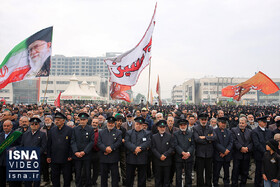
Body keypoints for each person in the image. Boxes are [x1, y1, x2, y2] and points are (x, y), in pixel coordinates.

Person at [47, 112, 73, 187]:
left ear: (63, 121)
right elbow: (49, 144)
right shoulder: (52, 130)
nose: (56, 121)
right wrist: (48, 156)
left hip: (66, 158)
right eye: (56, 120)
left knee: (67, 177)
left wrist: (70, 155)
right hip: (54, 157)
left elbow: (72, 144)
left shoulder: (69, 130)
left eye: (58, 120)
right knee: (55, 176)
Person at [124, 117, 151, 187]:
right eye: (137, 124)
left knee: (142, 177)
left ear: (142, 125)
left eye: (140, 124)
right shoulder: (129, 133)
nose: (138, 125)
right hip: (131, 157)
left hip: (142, 158)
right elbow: (127, 142)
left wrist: (140, 149)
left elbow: (148, 142)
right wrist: (134, 149)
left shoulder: (147, 133)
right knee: (129, 177)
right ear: (134, 124)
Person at [21, 117, 47, 187]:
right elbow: (22, 146)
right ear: (30, 125)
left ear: (39, 125)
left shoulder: (42, 134)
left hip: (37, 159)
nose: (34, 125)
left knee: (36, 179)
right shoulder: (25, 134)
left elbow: (43, 147)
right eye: (32, 124)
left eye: (36, 124)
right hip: (26, 160)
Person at [71, 112, 95, 187]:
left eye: (84, 119)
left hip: (86, 155)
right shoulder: (75, 129)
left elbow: (92, 142)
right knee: (77, 172)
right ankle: (78, 185)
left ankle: (88, 184)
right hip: (77, 155)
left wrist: (84, 152)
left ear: (87, 120)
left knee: (87, 171)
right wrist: (75, 152)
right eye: (81, 119)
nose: (82, 121)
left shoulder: (90, 129)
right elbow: (72, 141)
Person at [98, 116, 122, 187]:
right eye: (109, 123)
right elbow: (99, 143)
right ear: (107, 123)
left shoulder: (118, 132)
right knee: (103, 176)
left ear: (114, 124)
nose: (110, 124)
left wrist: (111, 148)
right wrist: (105, 149)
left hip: (113, 157)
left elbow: (119, 142)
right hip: (103, 156)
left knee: (114, 176)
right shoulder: (101, 132)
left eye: (112, 123)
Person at [193, 113, 216, 187]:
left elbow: (214, 138)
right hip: (200, 154)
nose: (203, 121)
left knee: (209, 173)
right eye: (202, 120)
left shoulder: (210, 128)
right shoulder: (195, 128)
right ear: (199, 120)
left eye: (205, 120)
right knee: (199, 173)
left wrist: (204, 137)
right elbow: (197, 139)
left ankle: (208, 185)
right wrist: (208, 140)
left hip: (209, 153)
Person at [251, 116, 273, 187]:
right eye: (264, 122)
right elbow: (256, 144)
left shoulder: (269, 131)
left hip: (269, 154)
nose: (265, 123)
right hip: (259, 155)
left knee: (267, 171)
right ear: (259, 122)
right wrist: (265, 152)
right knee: (259, 171)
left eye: (266, 122)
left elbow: (271, 142)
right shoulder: (255, 131)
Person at [151, 120, 174, 187]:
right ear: (158, 128)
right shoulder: (154, 137)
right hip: (157, 161)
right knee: (158, 179)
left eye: (163, 127)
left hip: (167, 161)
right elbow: (153, 148)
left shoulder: (169, 136)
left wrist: (165, 155)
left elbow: (172, 147)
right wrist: (159, 156)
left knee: (166, 179)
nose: (162, 128)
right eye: (160, 127)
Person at [231, 117, 253, 187]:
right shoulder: (234, 130)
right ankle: (234, 184)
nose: (241, 124)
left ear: (246, 124)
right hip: (237, 154)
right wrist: (241, 148)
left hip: (246, 154)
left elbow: (252, 142)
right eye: (240, 123)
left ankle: (243, 184)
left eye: (243, 123)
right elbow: (234, 141)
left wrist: (247, 148)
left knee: (245, 171)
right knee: (235, 171)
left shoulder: (250, 131)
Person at [173, 119, 194, 187]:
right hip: (179, 157)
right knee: (178, 174)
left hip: (189, 157)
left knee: (188, 174)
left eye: (184, 125)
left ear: (186, 125)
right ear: (179, 126)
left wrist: (188, 153)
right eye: (181, 125)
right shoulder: (175, 134)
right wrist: (182, 153)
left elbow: (193, 145)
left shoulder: (191, 133)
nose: (183, 126)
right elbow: (175, 145)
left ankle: (188, 185)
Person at [213, 117, 233, 187]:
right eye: (222, 123)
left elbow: (231, 142)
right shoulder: (214, 131)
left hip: (227, 156)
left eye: (224, 123)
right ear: (218, 123)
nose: (223, 125)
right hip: (218, 155)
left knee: (227, 171)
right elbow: (215, 143)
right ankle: (215, 183)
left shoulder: (229, 132)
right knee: (216, 171)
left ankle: (226, 183)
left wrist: (226, 151)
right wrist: (223, 151)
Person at [0, 120, 21, 187]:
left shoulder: (16, 135)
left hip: (12, 162)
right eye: (4, 126)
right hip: (1, 162)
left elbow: (22, 145)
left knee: (13, 182)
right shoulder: (1, 135)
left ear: (11, 126)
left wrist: (15, 148)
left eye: (8, 126)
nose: (6, 127)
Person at [115, 115, 127, 185]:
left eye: (120, 121)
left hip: (122, 149)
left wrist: (123, 140)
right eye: (118, 121)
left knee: (123, 165)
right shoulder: (113, 129)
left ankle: (124, 179)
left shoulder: (123, 130)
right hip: (115, 149)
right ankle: (117, 178)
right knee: (115, 165)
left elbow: (125, 139)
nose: (119, 122)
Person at [91, 118, 100, 186]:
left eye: (96, 123)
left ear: (98, 124)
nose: (94, 124)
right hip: (89, 152)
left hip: (97, 153)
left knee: (96, 169)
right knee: (86, 169)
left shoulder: (100, 132)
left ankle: (94, 181)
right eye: (93, 122)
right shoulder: (88, 130)